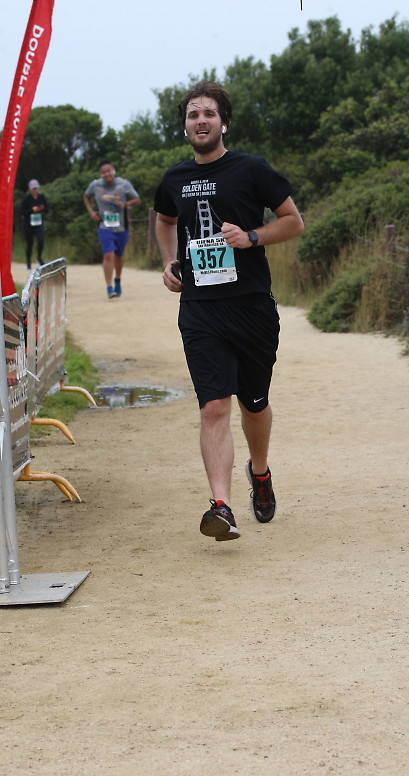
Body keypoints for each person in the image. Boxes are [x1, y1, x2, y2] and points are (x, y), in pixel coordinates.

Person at [154, 81, 304, 542]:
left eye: (209, 113)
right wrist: (169, 262)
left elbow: (294, 222)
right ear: (185, 126)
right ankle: (221, 506)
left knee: (253, 404)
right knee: (214, 406)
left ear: (224, 123)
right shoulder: (174, 179)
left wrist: (252, 237)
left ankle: (260, 471)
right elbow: (165, 219)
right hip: (200, 309)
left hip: (251, 306)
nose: (201, 120)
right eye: (193, 114)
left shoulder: (251, 169)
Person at [83, 160, 141, 299]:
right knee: (108, 255)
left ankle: (117, 280)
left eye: (109, 171)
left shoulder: (124, 184)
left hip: (121, 226)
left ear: (113, 171)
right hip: (104, 226)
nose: (107, 174)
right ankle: (109, 288)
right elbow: (86, 196)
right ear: (100, 174)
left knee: (119, 256)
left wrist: (125, 204)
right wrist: (91, 212)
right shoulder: (95, 185)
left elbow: (137, 200)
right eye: (103, 172)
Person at [21, 179, 48, 269]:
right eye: (33, 189)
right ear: (29, 189)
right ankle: (28, 262)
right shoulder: (26, 199)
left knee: (41, 240)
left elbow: (47, 208)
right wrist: (32, 210)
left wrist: (41, 208)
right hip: (28, 223)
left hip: (38, 222)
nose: (35, 190)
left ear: (39, 188)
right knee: (29, 243)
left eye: (36, 188)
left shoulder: (42, 197)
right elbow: (22, 211)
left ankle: (39, 257)